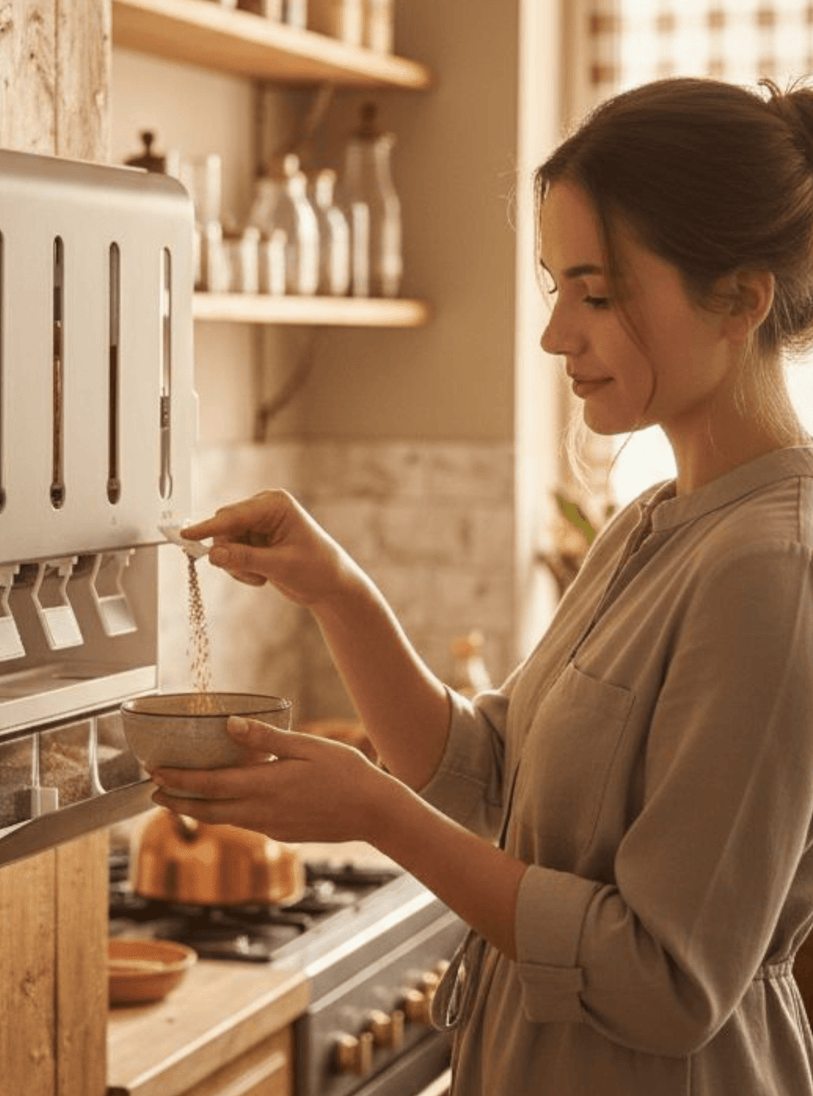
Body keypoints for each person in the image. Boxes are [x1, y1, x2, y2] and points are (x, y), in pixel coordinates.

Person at [151, 77, 813, 1094]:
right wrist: (338, 591)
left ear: (739, 296)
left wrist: (373, 811)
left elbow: (666, 980)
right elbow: (492, 778)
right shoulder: (652, 523)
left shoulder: (773, 569)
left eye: (597, 294)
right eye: (558, 289)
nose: (556, 336)